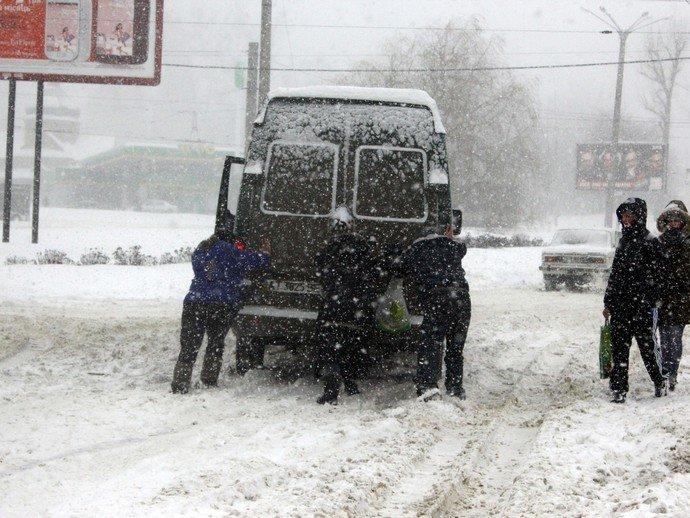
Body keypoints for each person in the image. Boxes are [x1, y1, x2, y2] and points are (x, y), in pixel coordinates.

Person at [171, 229, 270, 394]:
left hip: (194, 302)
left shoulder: (200, 250)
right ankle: (209, 379)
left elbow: (204, 272)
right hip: (220, 304)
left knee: (189, 345)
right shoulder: (227, 249)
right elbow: (249, 260)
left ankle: (180, 383)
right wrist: (264, 254)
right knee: (215, 343)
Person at [397, 217, 471, 401]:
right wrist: (448, 239)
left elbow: (399, 267)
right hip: (461, 298)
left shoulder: (417, 249)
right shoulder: (453, 247)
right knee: (456, 345)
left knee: (431, 343)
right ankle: (455, 388)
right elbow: (462, 248)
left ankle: (428, 387)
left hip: (437, 298)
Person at [603, 198, 666, 403]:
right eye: (623, 216)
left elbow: (660, 276)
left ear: (639, 217)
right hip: (621, 306)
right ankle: (619, 389)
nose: (625, 220)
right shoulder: (623, 241)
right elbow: (615, 275)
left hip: (642, 307)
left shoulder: (651, 242)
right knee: (619, 349)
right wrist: (608, 302)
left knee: (647, 348)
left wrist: (651, 298)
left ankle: (659, 381)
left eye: (629, 216)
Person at [314, 207, 377, 405]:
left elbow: (321, 272)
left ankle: (331, 391)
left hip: (334, 304)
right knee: (352, 345)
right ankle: (351, 384)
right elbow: (373, 274)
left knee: (331, 348)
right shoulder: (364, 248)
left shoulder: (329, 249)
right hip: (356, 307)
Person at [656, 200, 690, 391]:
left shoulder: (688, 245)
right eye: (671, 219)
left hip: (681, 300)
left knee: (675, 337)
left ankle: (672, 372)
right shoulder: (658, 243)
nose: (674, 223)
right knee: (664, 338)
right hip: (663, 299)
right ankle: (664, 371)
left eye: (678, 220)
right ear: (666, 222)